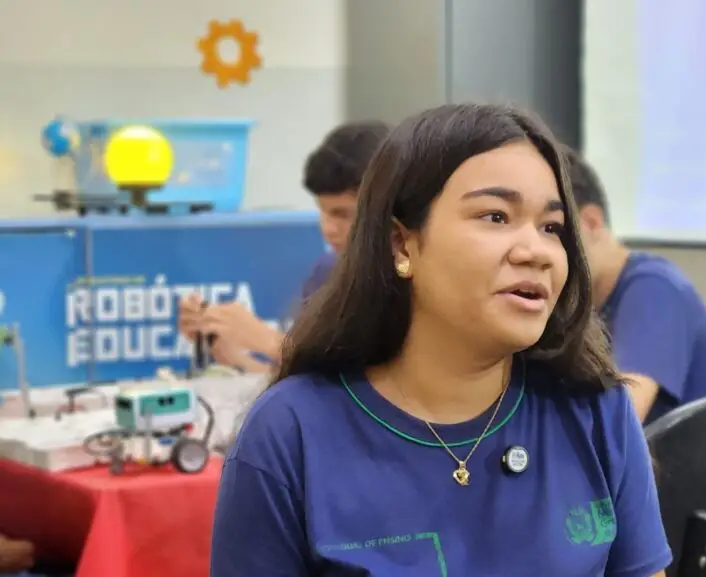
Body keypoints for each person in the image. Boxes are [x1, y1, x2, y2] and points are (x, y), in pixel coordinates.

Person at [210, 104, 671, 576]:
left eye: (551, 227)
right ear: (401, 245)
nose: (536, 251)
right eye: (495, 216)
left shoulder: (597, 411)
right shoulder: (290, 434)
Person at [177, 121, 390, 372]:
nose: (328, 228)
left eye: (343, 214)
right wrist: (230, 353)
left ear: (387, 210)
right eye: (323, 211)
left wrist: (270, 341)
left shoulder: (421, 281)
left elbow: (376, 388)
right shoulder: (328, 272)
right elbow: (312, 384)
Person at [564, 148, 706, 425]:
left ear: (591, 223)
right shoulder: (587, 302)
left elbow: (619, 422)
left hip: (684, 466)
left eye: (551, 229)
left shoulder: (655, 290)